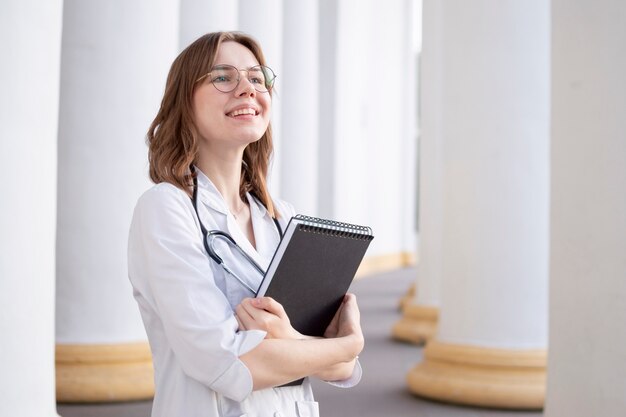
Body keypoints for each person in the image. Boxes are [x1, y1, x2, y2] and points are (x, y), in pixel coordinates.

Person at [127, 31, 364, 417]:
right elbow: (225, 364)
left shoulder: (282, 218)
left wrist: (292, 342)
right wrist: (347, 344)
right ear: (183, 101)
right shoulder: (166, 209)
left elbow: (342, 370)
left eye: (257, 78)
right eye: (223, 76)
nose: (246, 89)